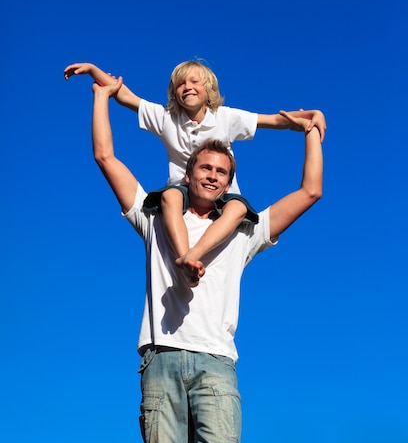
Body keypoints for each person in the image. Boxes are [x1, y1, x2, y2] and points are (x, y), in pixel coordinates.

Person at [90, 76, 323, 443]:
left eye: (221, 171)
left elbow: (309, 192)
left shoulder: (244, 232)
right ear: (189, 172)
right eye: (205, 167)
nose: (213, 175)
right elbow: (106, 157)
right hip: (160, 360)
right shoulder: (155, 219)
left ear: (229, 182)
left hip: (215, 363)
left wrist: (312, 133)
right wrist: (101, 98)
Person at [65, 60, 326, 282]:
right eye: (180, 84)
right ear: (173, 92)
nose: (187, 87)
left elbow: (274, 120)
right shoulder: (166, 117)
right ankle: (184, 256)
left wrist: (313, 115)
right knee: (169, 197)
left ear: (209, 90)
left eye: (194, 82)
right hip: (182, 188)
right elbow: (123, 95)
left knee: (238, 209)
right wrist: (93, 70)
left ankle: (196, 253)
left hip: (224, 197)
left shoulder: (225, 117)